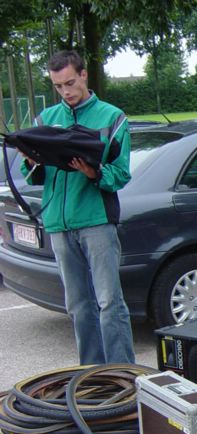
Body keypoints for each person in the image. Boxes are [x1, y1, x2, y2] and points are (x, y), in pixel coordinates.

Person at [21, 50, 134, 365]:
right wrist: (33, 161)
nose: (65, 91)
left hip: (97, 220)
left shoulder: (112, 117)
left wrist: (94, 173)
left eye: (70, 82)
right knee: (78, 305)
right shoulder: (45, 120)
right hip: (58, 223)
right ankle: (91, 376)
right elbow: (33, 175)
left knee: (110, 302)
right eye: (58, 86)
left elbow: (122, 173)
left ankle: (122, 375)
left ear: (84, 75)